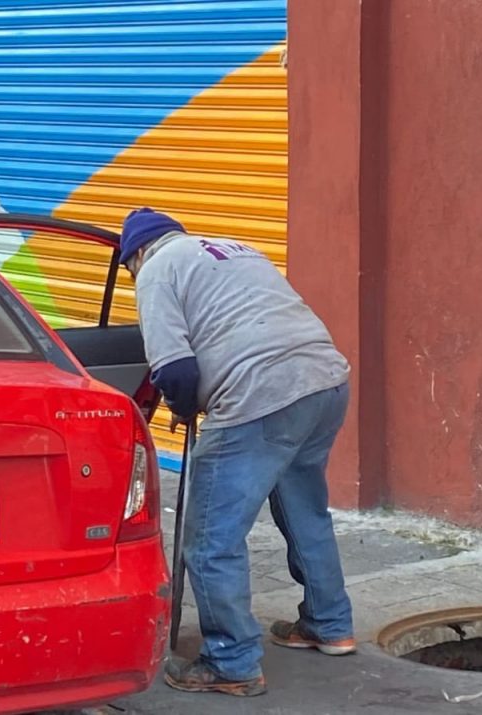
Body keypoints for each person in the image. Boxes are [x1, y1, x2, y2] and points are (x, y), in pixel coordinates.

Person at [119, 208, 356, 698]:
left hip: (260, 393)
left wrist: (183, 408)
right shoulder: (235, 250)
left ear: (136, 255)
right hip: (325, 382)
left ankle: (230, 660)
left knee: (211, 536)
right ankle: (330, 624)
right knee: (304, 508)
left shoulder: (156, 270)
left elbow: (174, 368)